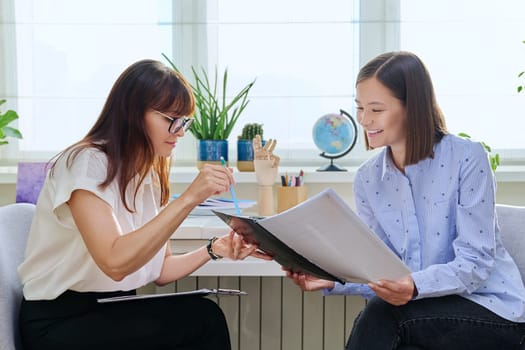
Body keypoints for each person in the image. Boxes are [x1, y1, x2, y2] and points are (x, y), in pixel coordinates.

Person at [17, 59, 268, 350]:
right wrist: (189, 198)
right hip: (60, 321)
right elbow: (114, 263)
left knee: (203, 315)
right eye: (171, 119)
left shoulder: (147, 173)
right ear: (133, 114)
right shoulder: (87, 164)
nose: (180, 131)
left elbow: (161, 271)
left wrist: (215, 248)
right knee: (202, 320)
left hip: (110, 309)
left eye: (185, 121)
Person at [285, 51, 525, 349]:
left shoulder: (467, 158)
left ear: (413, 108)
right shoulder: (368, 178)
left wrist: (414, 287)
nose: (363, 119)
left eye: (376, 109)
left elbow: (475, 263)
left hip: (491, 312)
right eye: (360, 108)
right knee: (392, 326)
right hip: (420, 315)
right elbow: (381, 271)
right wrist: (333, 282)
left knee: (384, 315)